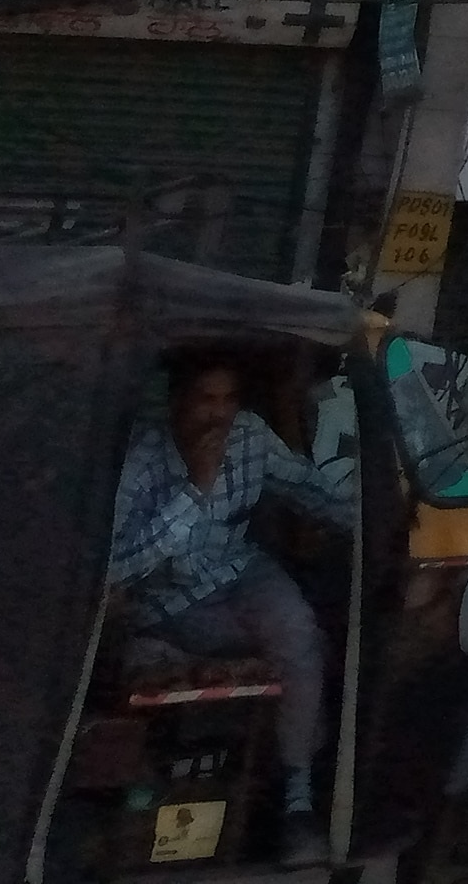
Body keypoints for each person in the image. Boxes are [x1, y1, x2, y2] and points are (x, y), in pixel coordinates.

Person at [108, 353, 353, 858]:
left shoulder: (249, 436)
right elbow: (116, 570)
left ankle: (297, 798)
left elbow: (309, 490)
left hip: (240, 572)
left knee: (297, 631)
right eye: (206, 400)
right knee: (294, 647)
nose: (218, 415)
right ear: (177, 403)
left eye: (228, 400)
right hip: (170, 603)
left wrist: (380, 524)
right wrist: (195, 489)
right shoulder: (140, 460)